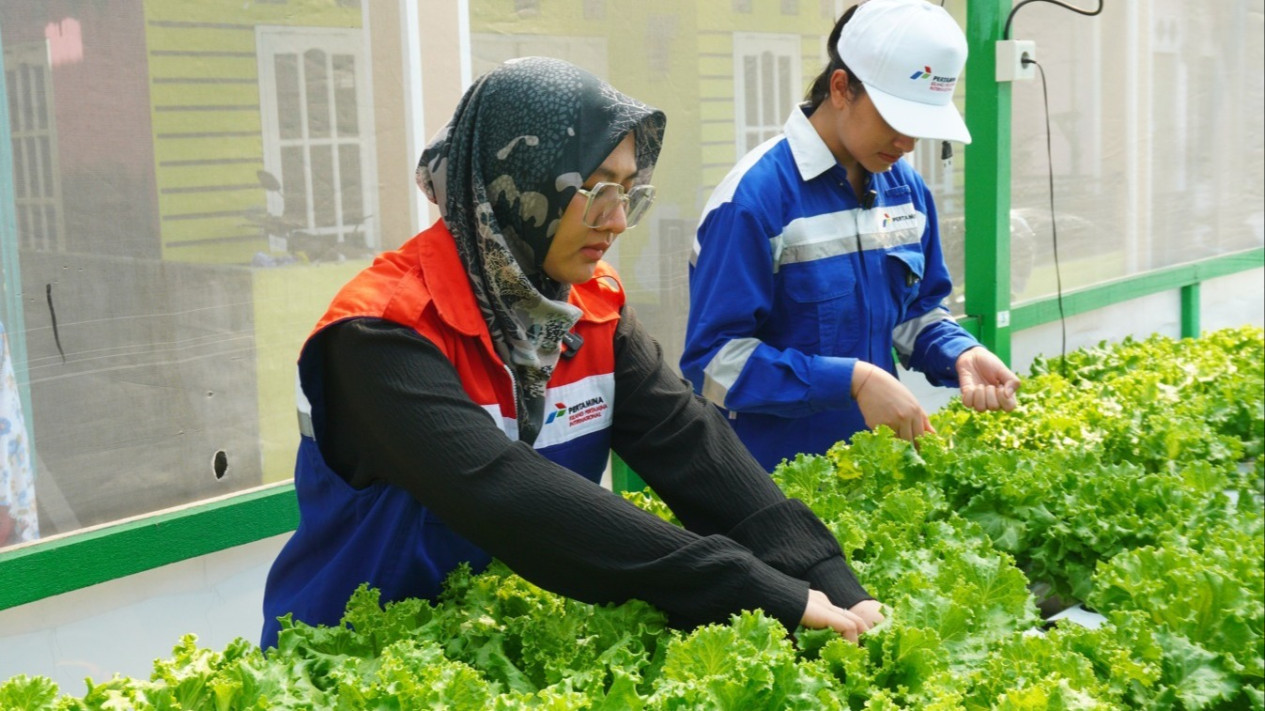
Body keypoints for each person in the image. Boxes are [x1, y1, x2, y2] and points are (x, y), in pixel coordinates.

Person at [260, 57, 883, 651]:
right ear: (519, 187)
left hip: (485, 647)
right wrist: (752, 589)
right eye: (595, 192)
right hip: (353, 659)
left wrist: (826, 576)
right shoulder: (379, 333)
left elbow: (692, 446)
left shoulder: (590, 309)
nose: (615, 223)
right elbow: (502, 494)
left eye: (630, 194)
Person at [680, 0, 1021, 472]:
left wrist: (960, 351)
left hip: (874, 469)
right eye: (896, 120)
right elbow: (713, 363)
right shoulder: (753, 201)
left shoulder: (906, 191)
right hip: (769, 479)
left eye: (921, 126)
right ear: (841, 88)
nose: (907, 143)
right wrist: (850, 380)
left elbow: (914, 312)